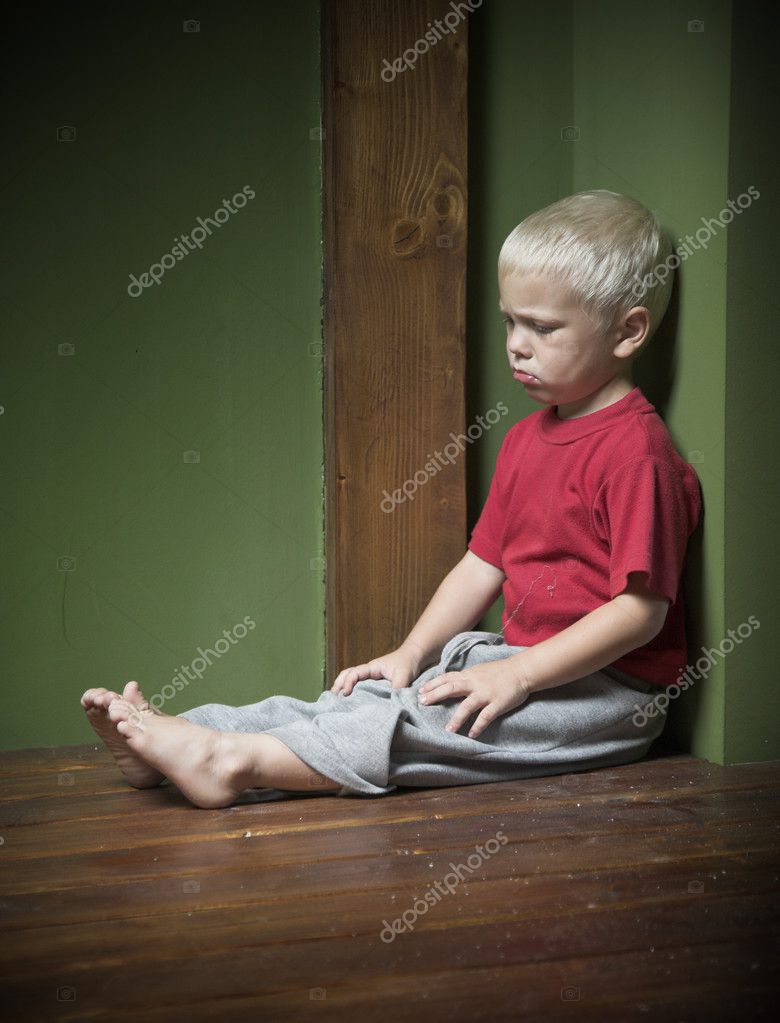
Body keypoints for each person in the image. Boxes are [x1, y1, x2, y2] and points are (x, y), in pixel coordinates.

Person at [81, 189, 702, 809]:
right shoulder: (524, 440)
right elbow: (483, 565)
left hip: (606, 697)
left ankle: (229, 763)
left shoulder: (636, 455)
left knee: (419, 730)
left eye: (542, 327)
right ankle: (191, 733)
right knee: (365, 702)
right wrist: (410, 653)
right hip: (514, 663)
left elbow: (640, 613)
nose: (516, 343)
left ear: (628, 332)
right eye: (510, 320)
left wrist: (518, 674)